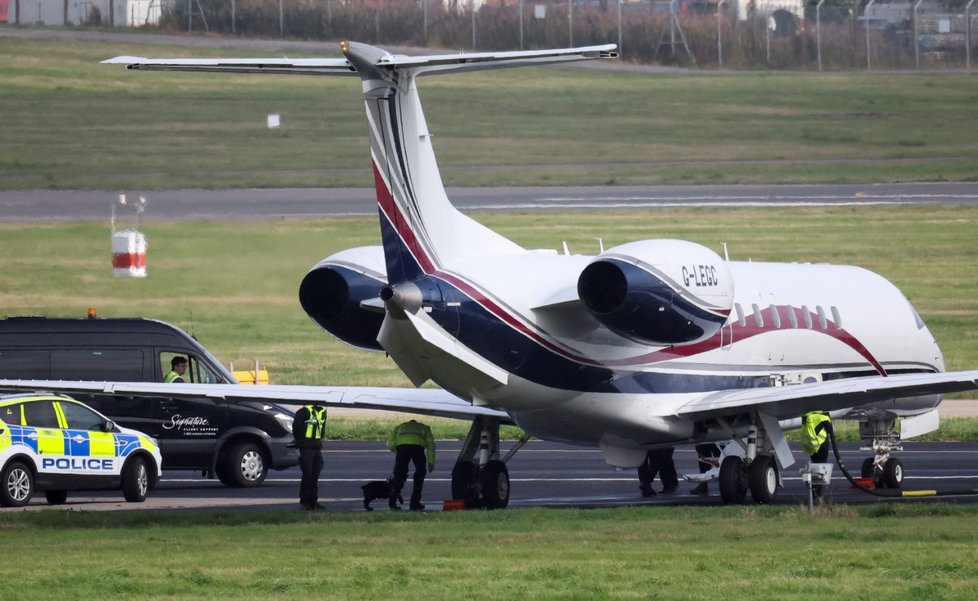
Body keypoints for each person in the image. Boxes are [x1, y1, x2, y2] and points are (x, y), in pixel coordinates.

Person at [387, 419, 436, 511]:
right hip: (417, 449)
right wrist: (431, 462)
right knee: (419, 475)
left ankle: (392, 503)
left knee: (399, 476)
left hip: (402, 449)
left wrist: (398, 453)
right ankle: (414, 504)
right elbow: (431, 446)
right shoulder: (425, 428)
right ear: (416, 423)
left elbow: (390, 445)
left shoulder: (399, 427)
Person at [292, 403, 327, 510]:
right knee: (308, 474)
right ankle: (305, 501)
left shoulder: (322, 411)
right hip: (306, 447)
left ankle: (313, 501)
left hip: (316, 446)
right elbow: (296, 429)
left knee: (315, 476)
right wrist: (301, 442)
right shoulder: (303, 412)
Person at [802, 410, 832, 497]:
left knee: (814, 467)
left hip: (812, 446)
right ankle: (818, 492)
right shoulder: (823, 417)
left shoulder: (808, 416)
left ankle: (813, 490)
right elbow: (830, 431)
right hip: (822, 445)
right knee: (821, 468)